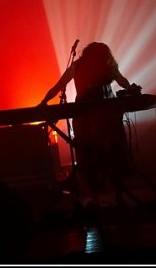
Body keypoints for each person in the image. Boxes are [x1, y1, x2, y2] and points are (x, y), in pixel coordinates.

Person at [38, 41, 142, 210]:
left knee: (101, 155)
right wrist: (44, 100)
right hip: (97, 118)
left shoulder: (96, 66)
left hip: (97, 118)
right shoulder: (89, 66)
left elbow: (122, 80)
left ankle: (103, 198)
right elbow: (59, 86)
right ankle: (111, 197)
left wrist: (44, 101)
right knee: (103, 155)